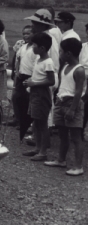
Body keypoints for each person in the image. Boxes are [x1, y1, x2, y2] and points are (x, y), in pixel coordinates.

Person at [45, 38, 85, 175]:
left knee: (75, 136)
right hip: (61, 101)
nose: (59, 54)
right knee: (62, 134)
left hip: (72, 103)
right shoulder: (65, 67)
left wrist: (73, 109)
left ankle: (78, 166)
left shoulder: (79, 70)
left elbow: (78, 91)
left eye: (61, 51)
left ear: (68, 53)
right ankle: (61, 160)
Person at [22, 32, 56, 161]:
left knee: (42, 123)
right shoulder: (38, 59)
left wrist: (34, 83)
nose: (32, 47)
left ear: (42, 48)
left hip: (42, 95)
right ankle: (37, 147)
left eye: (34, 45)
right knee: (36, 122)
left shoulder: (48, 62)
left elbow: (51, 81)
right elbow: (39, 76)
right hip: (35, 93)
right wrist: (30, 81)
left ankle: (43, 152)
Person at [10, 26, 36, 127]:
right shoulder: (22, 47)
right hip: (20, 75)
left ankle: (26, 122)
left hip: (30, 76)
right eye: (24, 34)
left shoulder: (35, 48)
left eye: (28, 33)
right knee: (16, 97)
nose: (25, 36)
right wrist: (16, 72)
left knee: (27, 99)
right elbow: (18, 60)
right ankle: (17, 118)